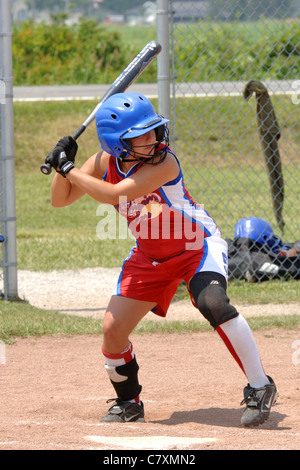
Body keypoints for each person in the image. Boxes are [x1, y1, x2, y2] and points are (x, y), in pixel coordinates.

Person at [46, 92, 278, 427]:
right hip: (150, 255)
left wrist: (68, 167)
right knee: (112, 329)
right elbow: (60, 199)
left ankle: (260, 385)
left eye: (153, 129)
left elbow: (114, 193)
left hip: (196, 246)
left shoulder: (164, 161)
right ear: (116, 143)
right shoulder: (102, 162)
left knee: (212, 302)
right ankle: (129, 402)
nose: (152, 137)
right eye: (139, 135)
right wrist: (60, 166)